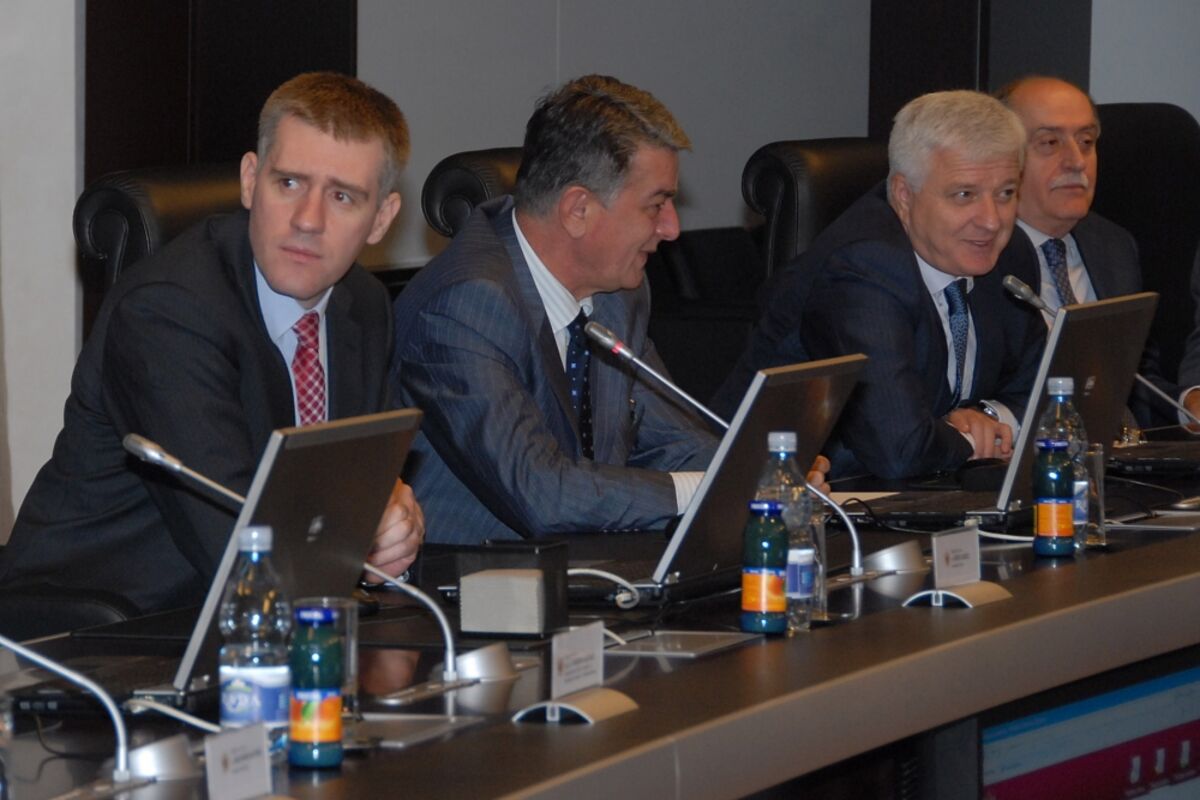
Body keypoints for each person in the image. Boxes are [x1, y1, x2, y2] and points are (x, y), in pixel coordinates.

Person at [0, 72, 424, 614]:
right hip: (98, 628)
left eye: (342, 196)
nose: (307, 220)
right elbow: (237, 546)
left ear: (381, 219)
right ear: (250, 181)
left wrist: (392, 526)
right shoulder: (168, 311)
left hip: (258, 621)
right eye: (289, 183)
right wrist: (356, 531)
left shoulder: (362, 306)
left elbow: (354, 485)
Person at [394, 74, 826, 544]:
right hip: (469, 575)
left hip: (589, 563)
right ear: (578, 209)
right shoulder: (464, 307)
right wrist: (721, 489)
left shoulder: (619, 293)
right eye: (656, 205)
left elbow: (675, 443)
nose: (672, 229)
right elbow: (542, 495)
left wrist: (767, 474)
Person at [717, 90, 1045, 481]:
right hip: (786, 492)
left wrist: (987, 417)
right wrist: (969, 439)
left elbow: (1050, 390)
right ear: (904, 195)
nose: (991, 221)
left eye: (1006, 193)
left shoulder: (1007, 253)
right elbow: (899, 450)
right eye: (964, 195)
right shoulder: (864, 266)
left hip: (923, 491)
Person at [998, 76, 1176, 427]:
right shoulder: (982, 253)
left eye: (1086, 141)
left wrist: (1186, 400)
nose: (1076, 161)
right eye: (1050, 142)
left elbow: (1136, 379)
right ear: (1002, 156)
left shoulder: (1112, 245)